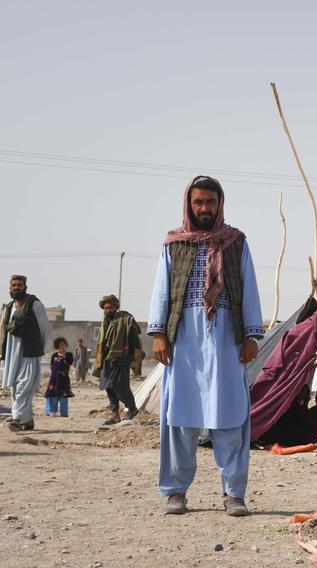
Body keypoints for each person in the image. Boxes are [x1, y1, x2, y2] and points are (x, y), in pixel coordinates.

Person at [147, 175, 264, 517]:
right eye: (198, 202)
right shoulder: (174, 245)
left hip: (226, 338)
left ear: (219, 204)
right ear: (189, 204)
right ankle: (175, 491)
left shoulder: (236, 243)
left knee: (229, 416)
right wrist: (158, 334)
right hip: (183, 341)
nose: (204, 208)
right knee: (179, 418)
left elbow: (250, 289)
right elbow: (162, 290)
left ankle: (234, 493)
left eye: (210, 202)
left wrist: (251, 337)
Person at [0, 275, 50, 431]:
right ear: (10, 288)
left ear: (25, 287)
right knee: (15, 387)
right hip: (11, 353)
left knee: (24, 386)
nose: (16, 288)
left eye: (19, 285)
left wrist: (37, 346)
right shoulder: (9, 307)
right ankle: (27, 420)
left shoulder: (35, 305)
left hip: (29, 352)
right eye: (13, 285)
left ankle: (17, 417)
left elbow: (45, 330)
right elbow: (3, 331)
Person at [94, 295, 140, 425]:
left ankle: (132, 408)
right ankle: (115, 414)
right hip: (107, 359)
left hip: (121, 358)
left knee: (121, 387)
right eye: (105, 308)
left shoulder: (125, 319)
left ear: (116, 307)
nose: (108, 310)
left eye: (110, 307)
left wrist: (134, 357)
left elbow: (134, 339)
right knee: (108, 386)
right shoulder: (105, 323)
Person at [45, 337, 74, 417]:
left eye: (63, 345)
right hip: (54, 378)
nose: (62, 347)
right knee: (52, 394)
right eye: (60, 345)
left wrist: (64, 356)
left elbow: (69, 363)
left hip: (64, 378)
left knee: (64, 395)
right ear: (57, 346)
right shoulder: (54, 355)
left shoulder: (69, 355)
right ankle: (52, 411)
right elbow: (52, 366)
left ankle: (64, 413)